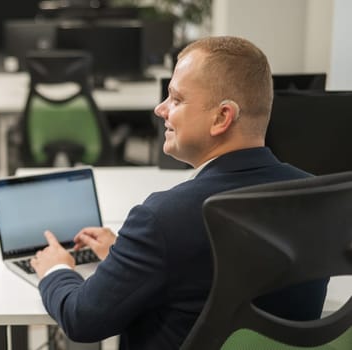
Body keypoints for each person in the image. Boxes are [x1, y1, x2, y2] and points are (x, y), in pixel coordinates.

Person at [30, 36, 329, 350]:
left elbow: (82, 319)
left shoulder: (163, 218)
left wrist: (56, 269)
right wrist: (131, 257)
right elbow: (221, 271)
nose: (160, 109)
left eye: (175, 99)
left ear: (222, 117)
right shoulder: (317, 197)